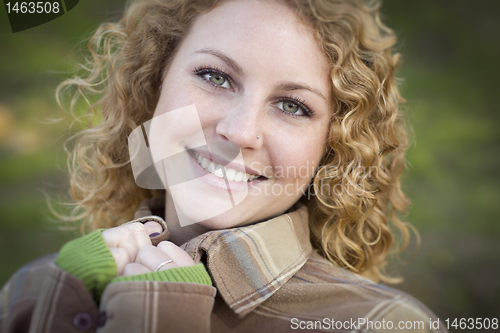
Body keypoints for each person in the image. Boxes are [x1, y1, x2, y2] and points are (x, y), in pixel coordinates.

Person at [0, 0, 447, 332]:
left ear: (330, 148)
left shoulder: (383, 325)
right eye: (215, 77)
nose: (240, 131)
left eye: (292, 105)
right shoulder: (38, 285)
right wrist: (53, 303)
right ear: (154, 85)